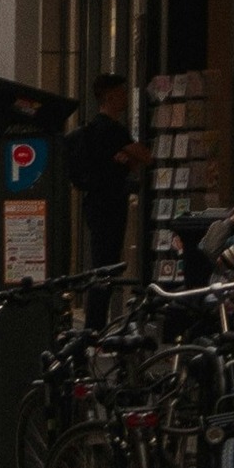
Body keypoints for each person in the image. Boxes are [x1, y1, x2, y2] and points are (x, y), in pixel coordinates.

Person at [68, 73, 150, 326]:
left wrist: (125, 159)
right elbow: (145, 158)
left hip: (96, 203)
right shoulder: (112, 129)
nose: (126, 97)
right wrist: (128, 157)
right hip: (109, 205)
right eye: (123, 93)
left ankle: (96, 323)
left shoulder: (95, 129)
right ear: (110, 96)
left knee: (104, 262)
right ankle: (95, 325)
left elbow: (133, 162)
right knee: (105, 264)